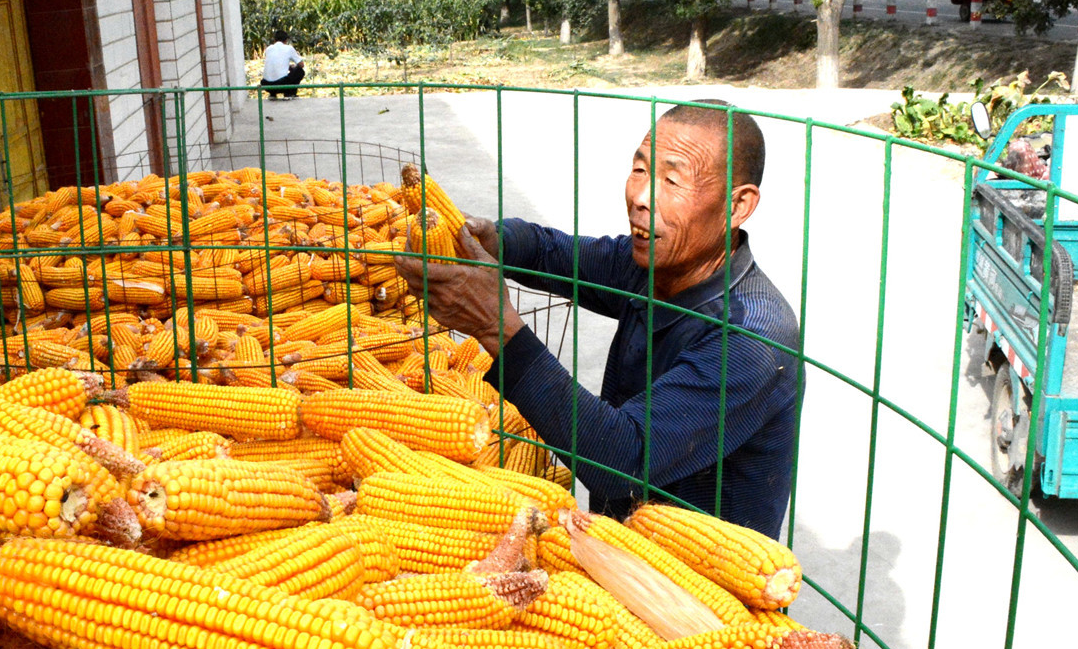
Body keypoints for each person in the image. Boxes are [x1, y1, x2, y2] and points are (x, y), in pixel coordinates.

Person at [395, 103, 801, 539]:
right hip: (619, 546)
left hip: (704, 584)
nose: (641, 197)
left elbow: (623, 459)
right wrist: (491, 238)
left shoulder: (754, 338)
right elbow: (555, 253)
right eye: (640, 170)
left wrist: (498, 327)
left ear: (738, 206)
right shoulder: (654, 265)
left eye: (672, 179)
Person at [259, 30, 305, 100]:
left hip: (265, 84)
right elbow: (301, 65)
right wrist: (294, 67)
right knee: (300, 71)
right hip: (282, 84)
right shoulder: (289, 48)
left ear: (274, 40)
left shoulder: (268, 49)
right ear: (286, 40)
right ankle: (289, 93)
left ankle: (272, 94)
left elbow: (276, 63)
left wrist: (288, 66)